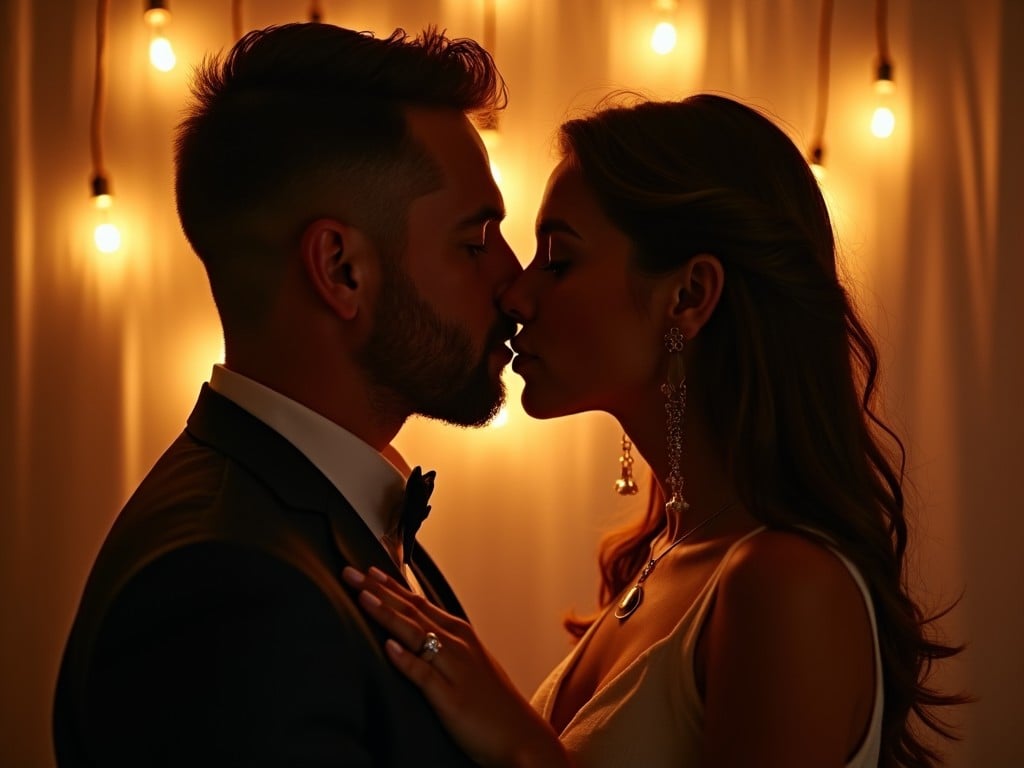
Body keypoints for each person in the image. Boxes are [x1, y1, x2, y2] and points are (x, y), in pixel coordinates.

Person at [343, 93, 967, 767]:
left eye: (558, 259)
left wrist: (522, 744)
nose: (517, 296)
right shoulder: (663, 557)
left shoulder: (786, 584)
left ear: (691, 296)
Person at [53, 22, 519, 767]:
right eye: (475, 242)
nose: (515, 279)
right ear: (340, 269)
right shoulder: (224, 596)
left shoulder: (311, 519)